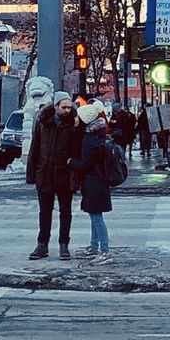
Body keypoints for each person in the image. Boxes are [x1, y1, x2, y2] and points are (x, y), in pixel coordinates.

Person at [25, 91, 82, 260]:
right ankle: (42, 244)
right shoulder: (42, 123)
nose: (67, 110)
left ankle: (64, 245)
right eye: (63, 107)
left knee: (65, 211)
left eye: (69, 107)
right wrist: (31, 174)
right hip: (45, 173)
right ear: (55, 106)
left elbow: (77, 150)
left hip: (64, 174)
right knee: (45, 211)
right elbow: (34, 148)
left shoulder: (74, 124)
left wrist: (75, 176)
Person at [69, 99, 113, 264]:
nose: (75, 120)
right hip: (97, 181)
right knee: (95, 216)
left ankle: (104, 251)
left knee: (96, 217)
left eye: (77, 118)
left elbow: (85, 165)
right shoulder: (97, 135)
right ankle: (94, 247)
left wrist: (70, 162)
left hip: (94, 182)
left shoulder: (89, 140)